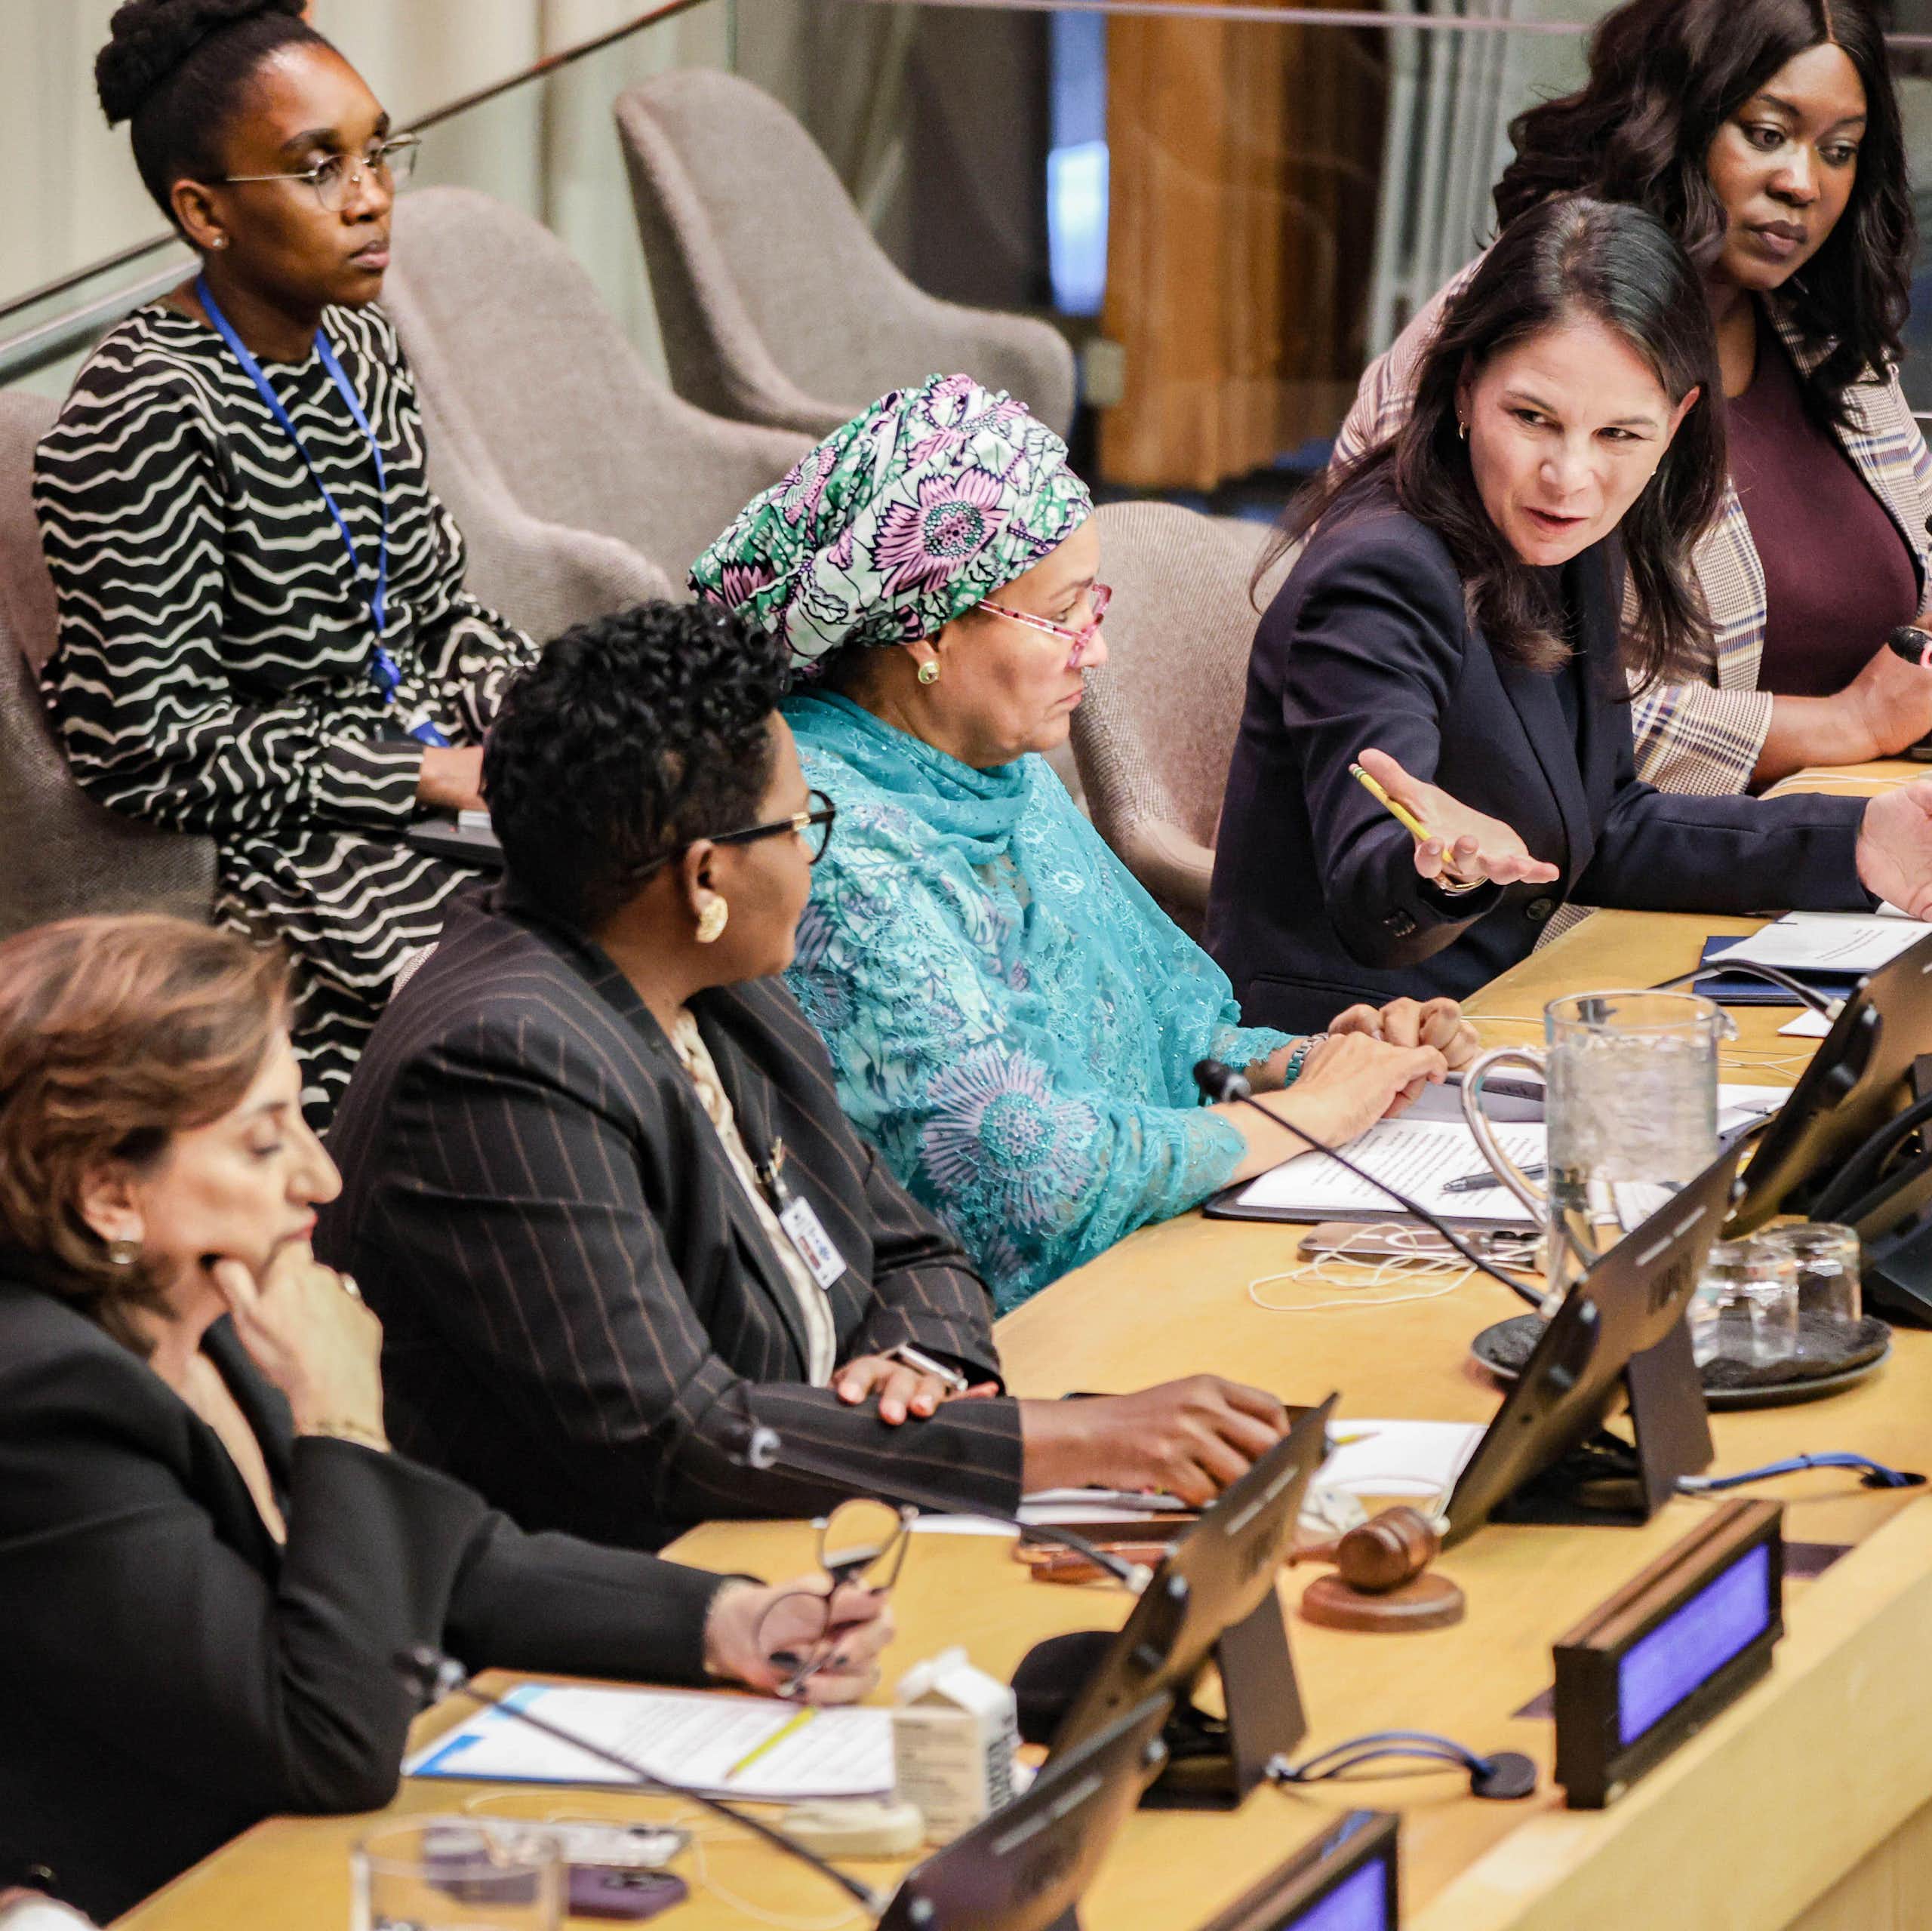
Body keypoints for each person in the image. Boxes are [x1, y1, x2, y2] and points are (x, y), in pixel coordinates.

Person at [319, 601, 1294, 1547]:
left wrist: (915, 1365)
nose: (812, 856)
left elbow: (914, 1249)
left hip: (811, 1520)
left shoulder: (715, 980)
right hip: (637, 1586)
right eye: (799, 824)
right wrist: (1071, 1441)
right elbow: (677, 1433)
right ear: (706, 877)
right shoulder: (500, 1066)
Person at [0, 917, 891, 1927]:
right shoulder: (44, 1406)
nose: (321, 1177)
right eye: (263, 1140)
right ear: (111, 1195)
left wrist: (727, 1620)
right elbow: (327, 1739)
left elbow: (450, 1561)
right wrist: (339, 1410)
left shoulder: (205, 1315)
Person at [690, 374, 1476, 1309]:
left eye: (1090, 610)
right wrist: (1309, 1115)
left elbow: (1171, 1041)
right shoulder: (829, 839)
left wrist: (1321, 1062)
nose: (1093, 650)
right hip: (1001, 1330)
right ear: (926, 633)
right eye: (1062, 618)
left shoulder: (995, 768)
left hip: (1154, 1248)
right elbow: (1027, 1175)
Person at [1206, 197, 1932, 1029]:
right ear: (1465, 387)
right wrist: (1440, 866)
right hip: (1350, 1045)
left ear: (1678, 424)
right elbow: (1370, 888)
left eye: (1620, 434)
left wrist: (1857, 842)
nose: (1569, 476)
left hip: (1500, 1012)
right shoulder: (1382, 571)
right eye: (1532, 419)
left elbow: (1609, 824)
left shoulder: (1575, 541)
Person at [36, 0, 536, 1124]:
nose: (370, 197)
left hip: (445, 771)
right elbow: (149, 748)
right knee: (549, 1005)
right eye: (318, 170)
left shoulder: (358, 339)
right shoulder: (142, 412)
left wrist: (536, 716)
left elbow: (433, 611)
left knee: (693, 863)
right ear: (203, 211)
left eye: (377, 153)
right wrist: (423, 777)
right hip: (305, 845)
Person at [1336, 0, 1932, 803]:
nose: (1801, 183)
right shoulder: (1533, 324)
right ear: (1676, 121)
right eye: (1766, 134)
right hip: (1603, 858)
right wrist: (1845, 725)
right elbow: (1499, 702)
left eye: (1839, 151)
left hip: (1857, 811)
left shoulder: (1822, 335)